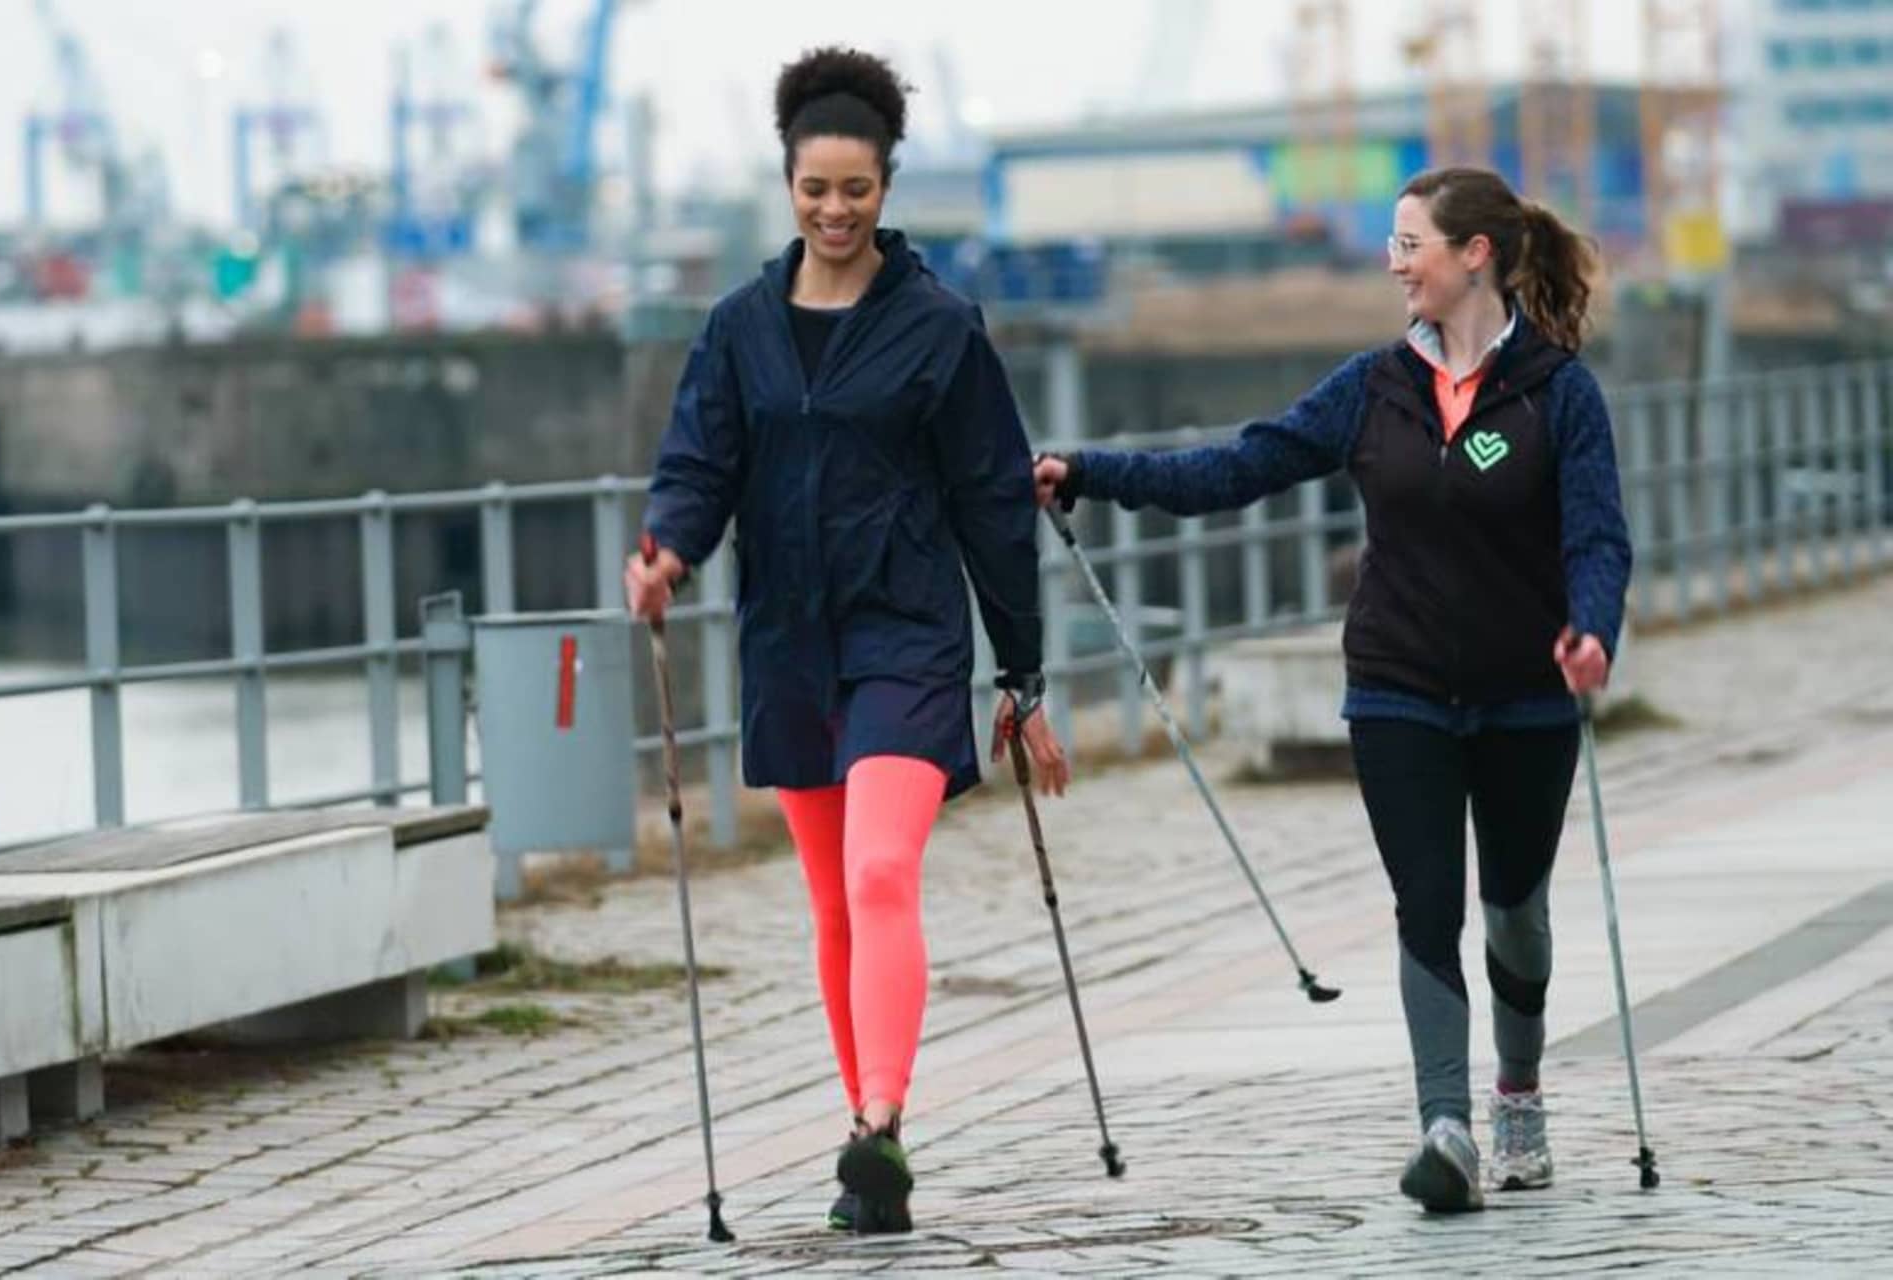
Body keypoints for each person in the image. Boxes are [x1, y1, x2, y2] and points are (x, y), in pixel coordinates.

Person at [1035, 166, 1632, 1213]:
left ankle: (1518, 1094)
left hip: (1524, 696)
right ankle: (1444, 1128)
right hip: (1398, 686)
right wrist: (1088, 471)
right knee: (1426, 905)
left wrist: (1591, 629)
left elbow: (1597, 537)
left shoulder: (1557, 393)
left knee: (1513, 912)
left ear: (1474, 255)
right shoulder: (1372, 388)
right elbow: (1235, 468)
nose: (1393, 264)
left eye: (1409, 244)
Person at [626, 45, 1068, 1236]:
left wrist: (1020, 670)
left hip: (906, 633)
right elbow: (699, 464)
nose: (834, 210)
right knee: (830, 899)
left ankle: (878, 1119)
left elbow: (990, 500)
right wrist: (667, 550)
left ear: (886, 186)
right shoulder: (738, 328)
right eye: (814, 189)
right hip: (787, 641)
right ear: (786, 183)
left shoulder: (938, 328)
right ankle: (868, 1149)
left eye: (855, 189)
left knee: (879, 870)